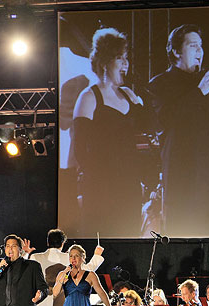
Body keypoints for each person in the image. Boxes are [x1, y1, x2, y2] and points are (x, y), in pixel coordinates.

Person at [147, 24, 209, 237]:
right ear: (176, 51)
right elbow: (167, 121)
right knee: (189, 238)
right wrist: (199, 93)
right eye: (193, 45)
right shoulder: (161, 84)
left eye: (201, 46)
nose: (200, 51)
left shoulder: (206, 81)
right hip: (188, 181)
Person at [71, 27, 145, 237]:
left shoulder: (128, 95)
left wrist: (138, 102)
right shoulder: (89, 97)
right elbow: (80, 150)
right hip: (101, 189)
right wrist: (101, 182)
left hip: (129, 186)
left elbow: (149, 129)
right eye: (120, 58)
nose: (126, 64)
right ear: (104, 62)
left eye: (126, 58)